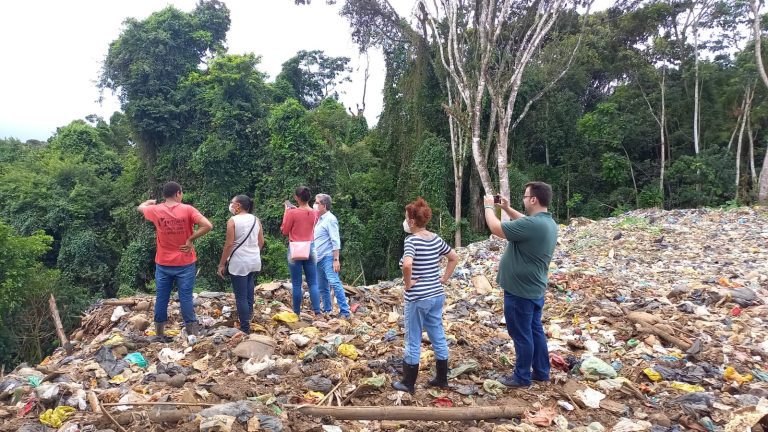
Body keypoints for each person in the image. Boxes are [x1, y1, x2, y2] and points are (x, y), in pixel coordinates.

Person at [483, 181, 559, 387]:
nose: (524, 200)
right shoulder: (547, 223)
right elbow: (525, 220)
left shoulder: (534, 225)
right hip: (534, 289)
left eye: (525, 197)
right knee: (535, 331)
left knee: (521, 335)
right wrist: (506, 208)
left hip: (520, 291)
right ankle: (542, 371)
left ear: (533, 199)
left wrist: (489, 207)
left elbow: (495, 228)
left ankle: (522, 377)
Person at [392, 198, 459, 394]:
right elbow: (453, 257)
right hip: (437, 295)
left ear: (412, 222)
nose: (405, 221)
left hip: (418, 297)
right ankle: (441, 379)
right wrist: (443, 279)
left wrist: (408, 284)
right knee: (437, 335)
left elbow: (406, 264)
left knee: (412, 338)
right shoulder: (435, 238)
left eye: (406, 218)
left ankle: (408, 383)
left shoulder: (411, 240)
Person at [138, 181, 213, 339]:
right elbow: (207, 225)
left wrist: (149, 202)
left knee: (162, 298)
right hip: (185, 262)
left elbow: (141, 207)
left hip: (163, 262)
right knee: (185, 297)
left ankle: (159, 335)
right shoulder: (187, 209)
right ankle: (192, 335)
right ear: (178, 193)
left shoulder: (155, 210)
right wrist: (190, 239)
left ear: (165, 195)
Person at [217, 195, 264, 334]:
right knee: (249, 290)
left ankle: (245, 328)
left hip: (239, 263)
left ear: (238, 205)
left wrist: (221, 264)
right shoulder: (256, 220)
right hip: (254, 260)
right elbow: (261, 242)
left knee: (241, 297)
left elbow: (229, 244)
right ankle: (249, 316)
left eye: (232, 203)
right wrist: (253, 252)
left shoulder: (233, 221)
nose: (230, 205)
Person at [281, 186, 322, 316]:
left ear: (296, 198)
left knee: (297, 283)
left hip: (295, 249)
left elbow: (284, 231)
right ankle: (317, 311)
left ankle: (297, 312)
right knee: (313, 282)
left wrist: (286, 212)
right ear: (309, 198)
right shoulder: (315, 212)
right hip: (311, 247)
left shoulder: (292, 213)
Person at [313, 193, 352, 318]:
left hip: (328, 257)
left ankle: (345, 311)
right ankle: (327, 310)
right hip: (318, 258)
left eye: (316, 203)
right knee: (322, 286)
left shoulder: (330, 219)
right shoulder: (319, 219)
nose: (314, 205)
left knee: (334, 283)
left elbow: (335, 240)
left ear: (323, 206)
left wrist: (336, 259)